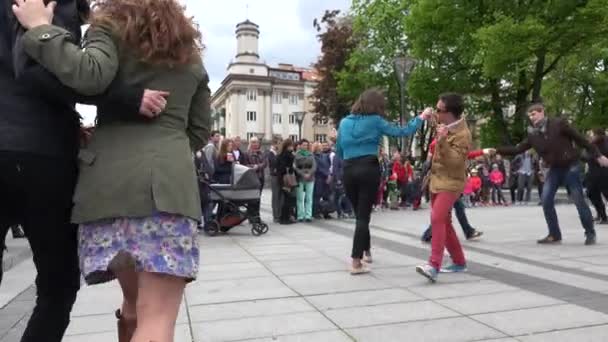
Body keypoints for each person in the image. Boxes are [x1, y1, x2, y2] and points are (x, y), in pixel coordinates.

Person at [13, 1, 210, 342]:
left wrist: (40, 29)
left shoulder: (108, 28)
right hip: (165, 192)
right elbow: (199, 130)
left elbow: (90, 75)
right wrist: (168, 150)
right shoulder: (190, 59)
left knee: (132, 305)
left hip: (104, 192)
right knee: (157, 319)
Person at [336, 88, 429, 274]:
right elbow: (402, 131)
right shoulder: (376, 121)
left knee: (360, 215)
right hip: (368, 168)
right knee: (363, 216)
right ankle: (356, 262)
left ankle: (366, 250)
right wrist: (421, 117)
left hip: (348, 169)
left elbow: (338, 149)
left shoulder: (344, 122)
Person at [495, 103, 608, 245]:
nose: (532, 117)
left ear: (542, 112)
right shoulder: (533, 134)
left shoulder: (559, 124)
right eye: (529, 116)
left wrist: (597, 155)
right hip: (554, 169)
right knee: (546, 200)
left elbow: (581, 139)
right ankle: (554, 234)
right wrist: (497, 150)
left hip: (570, 166)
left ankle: (590, 233)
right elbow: (518, 149)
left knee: (579, 200)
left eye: (534, 114)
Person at [416, 93, 472, 283]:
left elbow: (456, 162)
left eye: (439, 110)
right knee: (445, 223)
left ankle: (433, 265)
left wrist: (441, 142)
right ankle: (459, 261)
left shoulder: (463, 134)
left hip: (452, 181)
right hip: (436, 181)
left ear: (451, 114)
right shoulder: (444, 125)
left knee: (437, 217)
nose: (437, 112)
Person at [583, 129, 608, 224]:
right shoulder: (591, 145)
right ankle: (602, 215)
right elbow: (584, 157)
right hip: (593, 174)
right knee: (591, 194)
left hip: (603, 174)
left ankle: (603, 216)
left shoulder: (604, 143)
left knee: (605, 193)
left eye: (592, 135)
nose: (590, 136)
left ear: (598, 135)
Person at [294, 139, 316, 222]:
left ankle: (308, 215)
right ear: (300, 146)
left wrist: (309, 173)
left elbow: (314, 166)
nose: (305, 146)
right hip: (300, 178)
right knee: (300, 198)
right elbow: (295, 167)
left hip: (310, 178)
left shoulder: (311, 154)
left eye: (306, 145)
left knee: (309, 197)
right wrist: (302, 173)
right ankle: (300, 215)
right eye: (303, 145)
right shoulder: (297, 155)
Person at [276, 139, 297, 224]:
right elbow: (283, 167)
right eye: (291, 145)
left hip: (284, 178)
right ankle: (284, 218)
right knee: (287, 199)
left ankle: (285, 217)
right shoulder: (286, 155)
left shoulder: (282, 154)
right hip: (286, 179)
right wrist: (290, 168)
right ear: (288, 146)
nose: (292, 147)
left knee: (287, 199)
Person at [313, 142, 332, 219]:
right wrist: (327, 174)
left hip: (326, 178)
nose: (322, 148)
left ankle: (326, 212)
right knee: (317, 197)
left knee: (326, 196)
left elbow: (328, 166)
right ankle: (316, 213)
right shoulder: (314, 157)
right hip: (319, 178)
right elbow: (318, 168)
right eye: (320, 146)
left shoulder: (324, 156)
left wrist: (329, 175)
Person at [267, 137, 283, 222]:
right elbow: (274, 163)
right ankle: (276, 215)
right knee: (276, 196)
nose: (280, 145)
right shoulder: (271, 153)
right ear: (274, 144)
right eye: (279, 143)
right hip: (275, 176)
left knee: (281, 196)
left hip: (281, 176)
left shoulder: (278, 153)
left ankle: (280, 214)